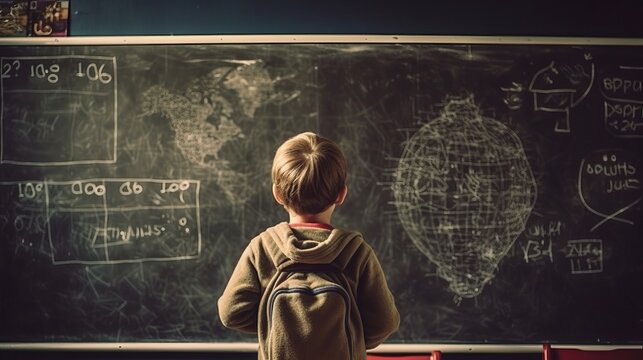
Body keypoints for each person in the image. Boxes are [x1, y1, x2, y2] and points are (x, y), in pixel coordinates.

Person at [218, 132, 400, 360]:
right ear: (341, 194)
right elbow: (384, 323)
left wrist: (276, 328)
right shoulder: (356, 252)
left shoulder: (263, 247)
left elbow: (230, 313)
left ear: (277, 194)